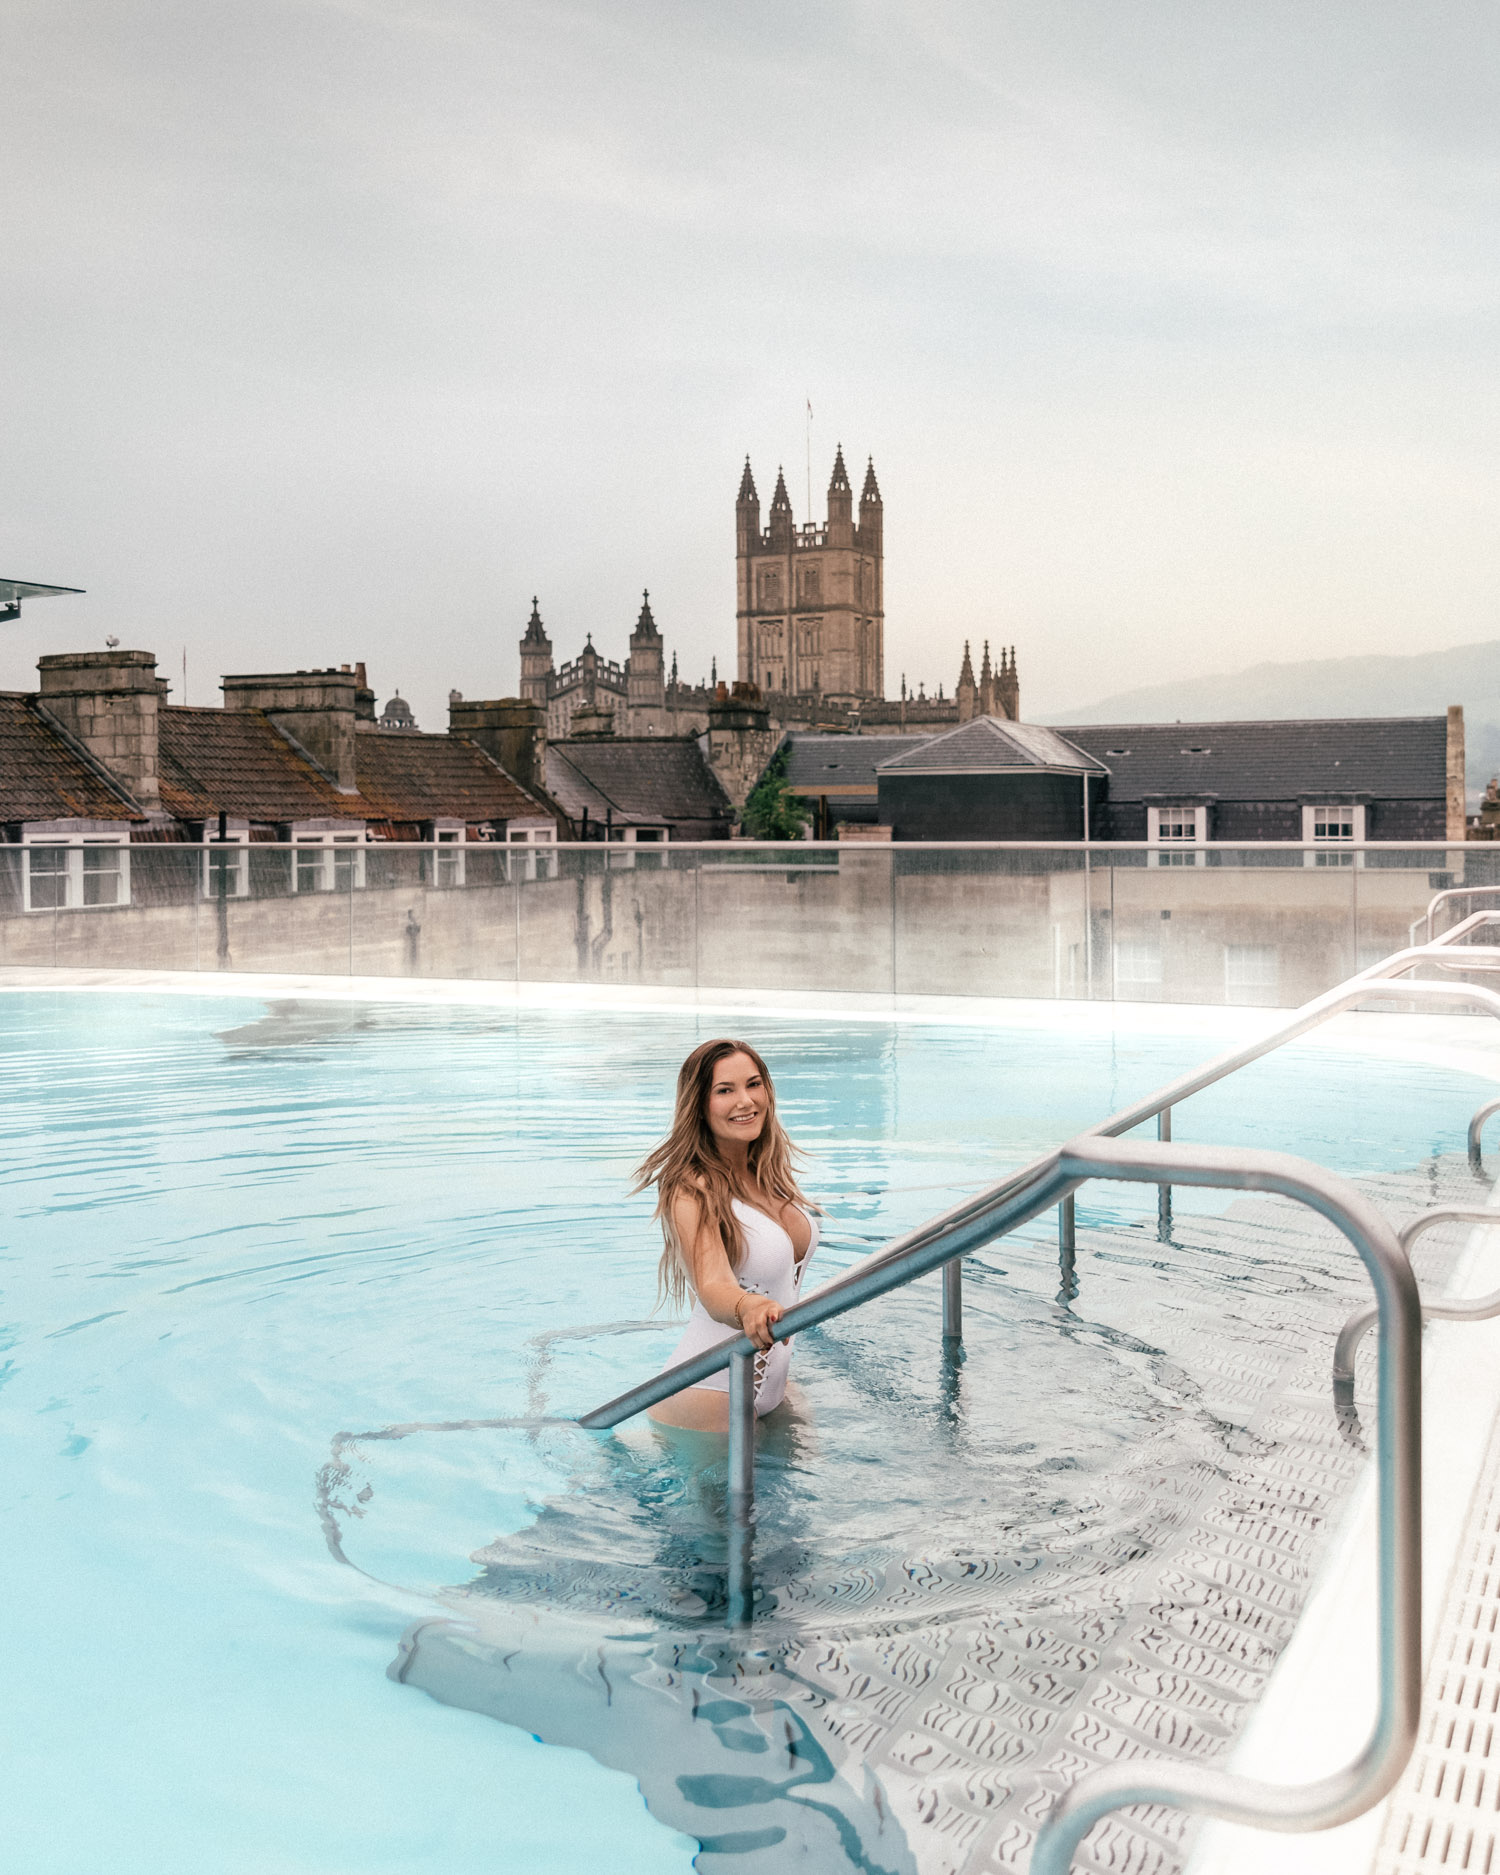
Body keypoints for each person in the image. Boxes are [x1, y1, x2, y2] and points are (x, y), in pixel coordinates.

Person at [635, 1038, 819, 1431]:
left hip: (773, 1392)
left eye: (754, 1084)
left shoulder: (767, 1175)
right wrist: (750, 1307)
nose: (746, 1101)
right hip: (711, 1390)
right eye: (725, 1090)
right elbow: (713, 1283)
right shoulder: (691, 1187)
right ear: (700, 1106)